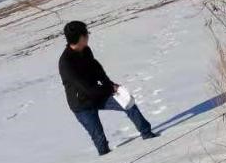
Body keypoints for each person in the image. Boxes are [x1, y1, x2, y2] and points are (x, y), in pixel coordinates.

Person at [59, 20, 157, 155]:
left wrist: (109, 84)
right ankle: (107, 160)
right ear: (81, 37)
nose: (88, 36)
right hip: (82, 105)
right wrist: (110, 89)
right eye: (86, 33)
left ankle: (148, 134)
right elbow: (86, 89)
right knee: (100, 140)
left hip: (97, 94)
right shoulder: (66, 63)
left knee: (127, 103)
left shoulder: (86, 50)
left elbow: (96, 69)